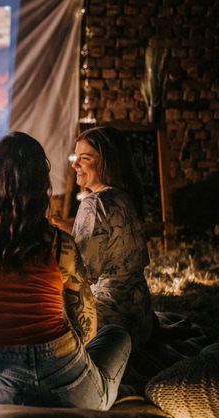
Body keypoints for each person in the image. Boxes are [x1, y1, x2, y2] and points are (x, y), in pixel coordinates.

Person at [0, 132, 131, 410]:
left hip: (0, 395)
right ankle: (96, 390)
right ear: (41, 186)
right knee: (117, 336)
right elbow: (86, 329)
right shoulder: (61, 244)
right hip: (74, 392)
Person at [51, 126, 152, 350]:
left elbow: (83, 274)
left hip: (112, 320)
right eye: (75, 157)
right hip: (141, 315)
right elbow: (110, 239)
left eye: (84, 158)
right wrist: (71, 228)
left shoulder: (94, 204)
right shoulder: (121, 196)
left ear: (107, 162)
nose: (74, 164)